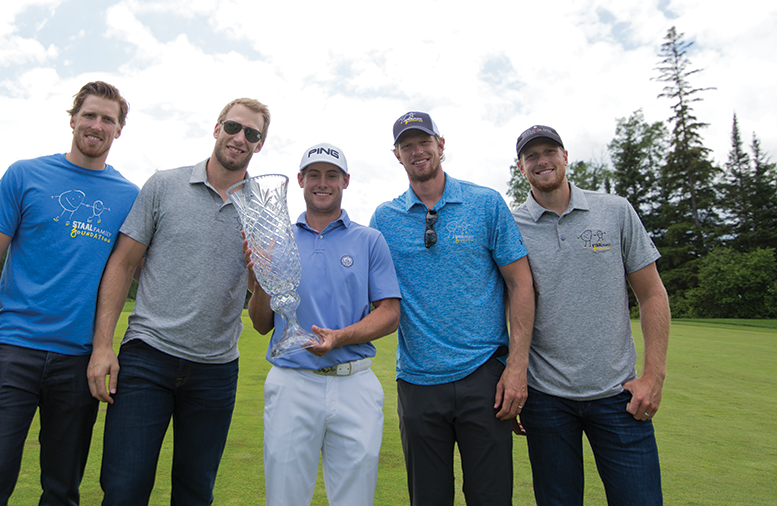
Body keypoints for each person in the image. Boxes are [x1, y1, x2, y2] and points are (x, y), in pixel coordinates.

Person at [0, 81, 139, 505]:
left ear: (119, 131)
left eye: (107, 119)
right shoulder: (25, 174)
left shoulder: (129, 197)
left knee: (61, 491)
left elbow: (135, 269)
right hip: (10, 354)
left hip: (79, 363)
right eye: (90, 115)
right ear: (72, 118)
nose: (97, 125)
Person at [87, 98, 270, 505]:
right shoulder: (163, 185)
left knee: (194, 493)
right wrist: (102, 346)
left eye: (252, 134)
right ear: (217, 127)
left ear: (260, 145)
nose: (239, 138)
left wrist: (259, 275)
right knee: (124, 490)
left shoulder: (264, 210)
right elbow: (122, 264)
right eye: (233, 127)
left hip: (216, 371)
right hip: (147, 358)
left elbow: (263, 313)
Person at [369, 112, 535, 506]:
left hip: (485, 378)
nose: (417, 150)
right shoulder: (383, 219)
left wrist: (516, 367)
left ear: (440, 145)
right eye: (407, 145)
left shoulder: (485, 203)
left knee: (491, 497)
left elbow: (521, 283)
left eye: (423, 141)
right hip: (417, 382)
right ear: (397, 155)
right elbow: (369, 292)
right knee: (427, 499)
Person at [511, 125, 670, 506]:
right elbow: (506, 306)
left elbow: (652, 294)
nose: (542, 161)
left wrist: (654, 376)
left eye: (550, 151)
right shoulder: (512, 225)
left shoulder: (614, 210)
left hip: (619, 396)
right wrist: (513, 377)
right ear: (520, 167)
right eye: (532, 155)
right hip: (545, 400)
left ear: (565, 156)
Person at [246, 143, 402, 506]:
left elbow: (390, 313)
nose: (322, 182)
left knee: (354, 499)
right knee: (284, 498)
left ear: (345, 181)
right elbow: (260, 324)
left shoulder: (368, 240)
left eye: (332, 175)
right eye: (313, 174)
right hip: (291, 381)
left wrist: (340, 337)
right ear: (300, 180)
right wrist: (257, 278)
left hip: (354, 383)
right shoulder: (276, 238)